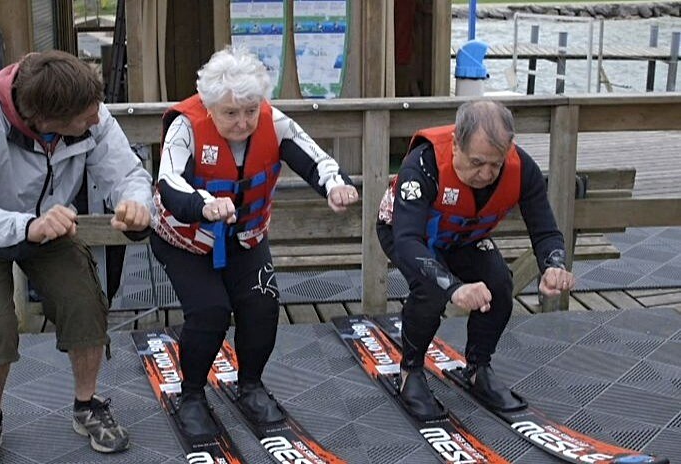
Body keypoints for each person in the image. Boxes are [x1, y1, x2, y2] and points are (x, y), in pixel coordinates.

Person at [0, 50, 153, 463]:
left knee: (85, 303)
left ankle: (86, 405)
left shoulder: (92, 113)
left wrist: (135, 204)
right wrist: (26, 226)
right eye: (85, 116)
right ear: (45, 121)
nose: (96, 119)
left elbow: (125, 174)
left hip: (52, 224)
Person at [151, 47, 359, 437]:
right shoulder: (186, 126)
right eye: (231, 113)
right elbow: (169, 183)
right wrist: (204, 204)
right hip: (186, 241)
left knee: (262, 307)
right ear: (210, 106)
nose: (243, 121)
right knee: (211, 312)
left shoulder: (271, 120)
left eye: (250, 110)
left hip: (246, 237)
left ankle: (251, 386)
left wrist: (335, 185)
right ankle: (192, 395)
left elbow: (315, 158)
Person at [377, 100, 576, 420]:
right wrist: (453, 287)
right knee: (431, 290)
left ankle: (477, 367)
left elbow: (545, 230)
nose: (485, 174)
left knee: (499, 282)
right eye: (476, 162)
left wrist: (553, 265)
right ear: (456, 144)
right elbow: (407, 240)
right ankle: (410, 372)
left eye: (495, 165)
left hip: (463, 236)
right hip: (409, 234)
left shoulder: (522, 168)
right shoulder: (423, 165)